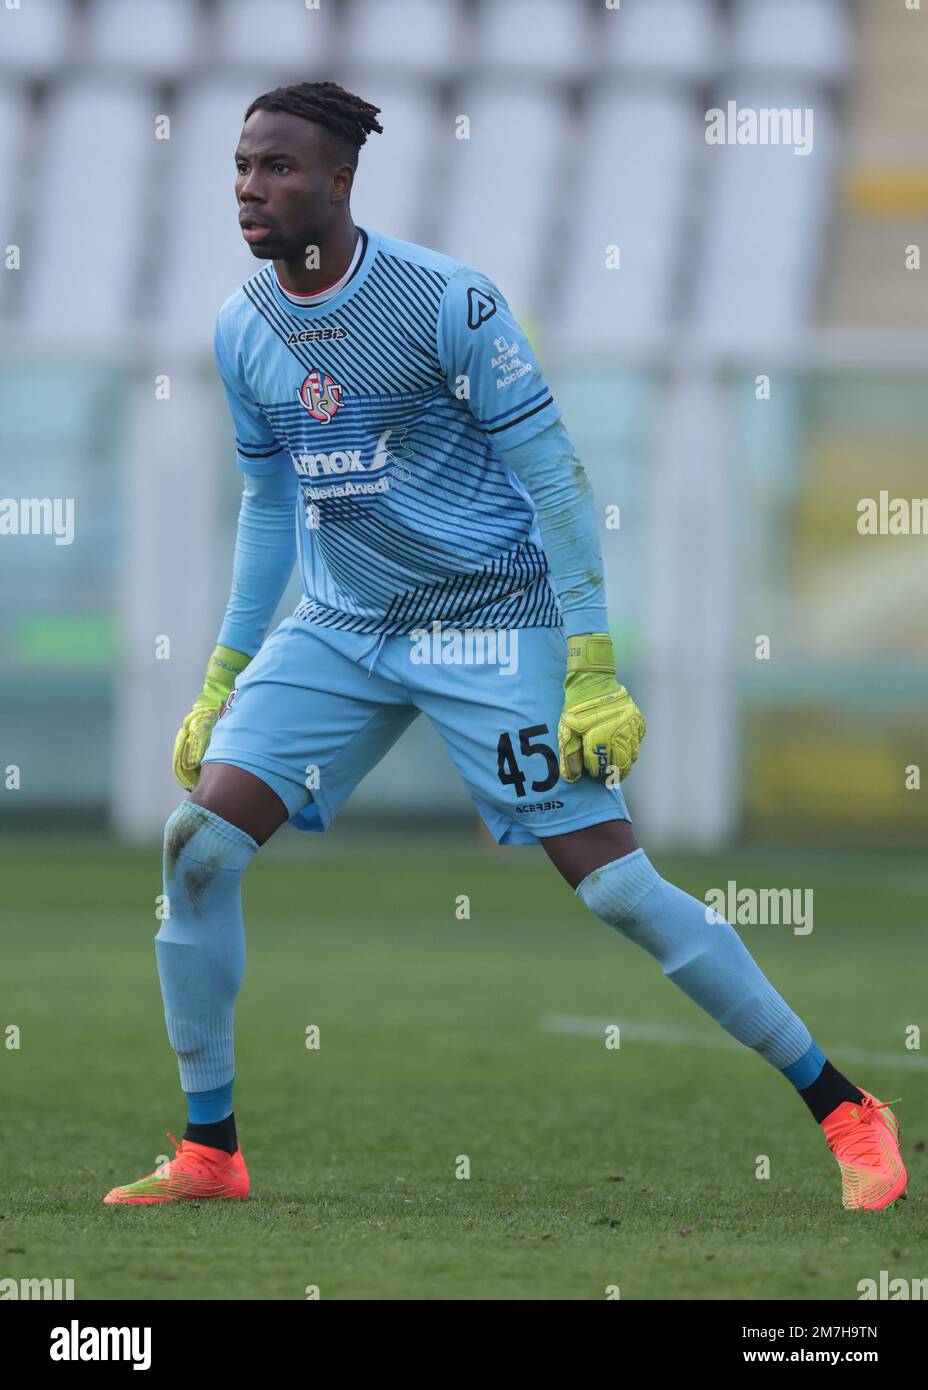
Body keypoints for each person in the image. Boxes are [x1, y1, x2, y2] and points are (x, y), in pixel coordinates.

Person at [103, 82, 906, 1212]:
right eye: (242, 166)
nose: (251, 187)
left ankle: (845, 1108)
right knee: (197, 845)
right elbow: (273, 506)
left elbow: (557, 482)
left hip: (488, 621)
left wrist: (591, 661)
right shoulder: (242, 326)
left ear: (339, 181)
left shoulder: (447, 301)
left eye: (279, 168)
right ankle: (209, 1151)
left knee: (619, 891)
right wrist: (226, 671)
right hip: (340, 628)